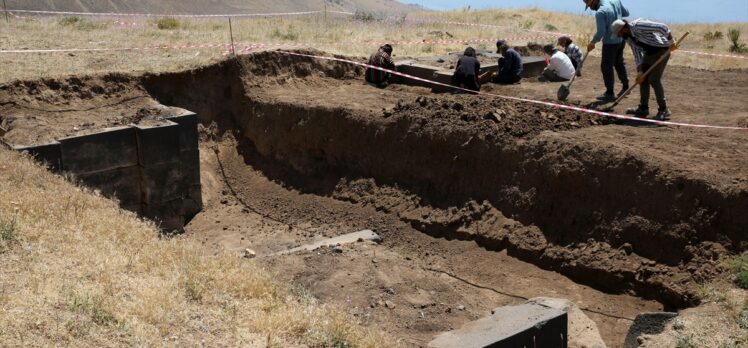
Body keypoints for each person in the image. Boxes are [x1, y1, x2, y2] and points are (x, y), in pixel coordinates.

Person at [612, 19, 674, 120]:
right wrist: (640, 70)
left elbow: (662, 27)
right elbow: (636, 53)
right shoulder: (627, 37)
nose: (619, 36)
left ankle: (664, 109)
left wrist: (671, 42)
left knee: (654, 79)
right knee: (642, 79)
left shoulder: (639, 26)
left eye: (619, 33)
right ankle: (643, 108)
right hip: (648, 53)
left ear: (624, 28)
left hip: (662, 50)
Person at [583, 0, 630, 102]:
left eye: (590, 5)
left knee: (606, 66)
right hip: (621, 39)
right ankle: (626, 86)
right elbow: (626, 13)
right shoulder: (615, 1)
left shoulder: (600, 12)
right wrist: (616, 15)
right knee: (619, 63)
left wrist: (592, 42)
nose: (590, 8)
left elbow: (601, 32)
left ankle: (610, 93)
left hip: (610, 43)